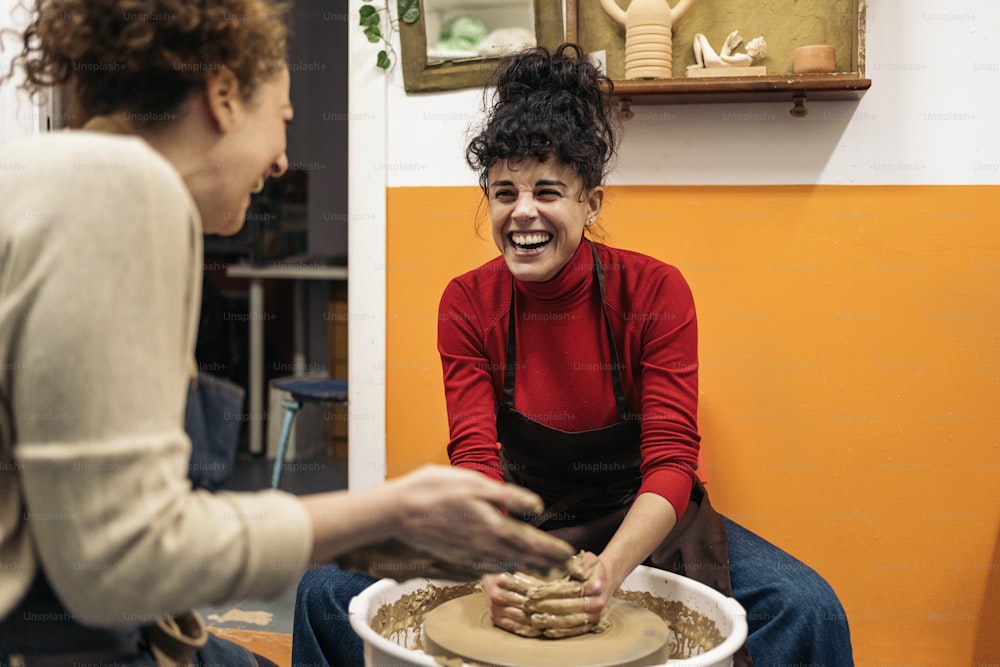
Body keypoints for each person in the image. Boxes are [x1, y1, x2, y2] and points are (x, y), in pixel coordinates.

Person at [0, 3, 575, 665]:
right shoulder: (126, 190)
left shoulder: (42, 172)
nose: (281, 162)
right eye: (285, 120)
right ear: (222, 97)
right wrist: (389, 512)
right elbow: (117, 562)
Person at [292, 43, 854, 666]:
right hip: (518, 515)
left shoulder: (655, 291)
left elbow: (671, 461)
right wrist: (496, 565)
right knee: (324, 590)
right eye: (504, 192)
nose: (523, 211)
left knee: (808, 606)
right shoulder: (467, 302)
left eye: (548, 191)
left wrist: (607, 573)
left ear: (591, 203)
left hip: (636, 518)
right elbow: (476, 456)